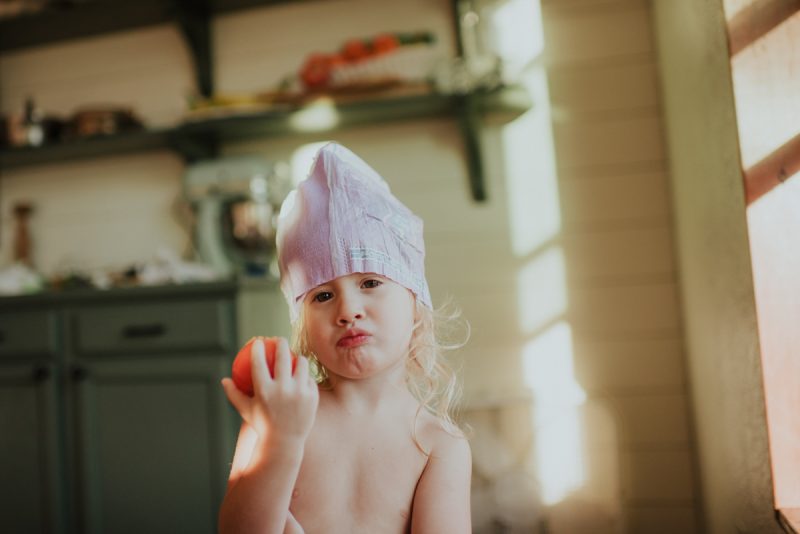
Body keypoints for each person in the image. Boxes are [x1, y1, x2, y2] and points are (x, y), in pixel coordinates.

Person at [218, 142, 472, 534]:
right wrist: (280, 443)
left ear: (416, 302)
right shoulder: (281, 412)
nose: (347, 310)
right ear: (303, 322)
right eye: (322, 295)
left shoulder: (439, 446)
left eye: (370, 282)